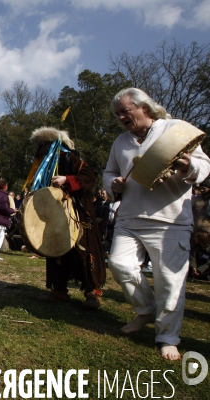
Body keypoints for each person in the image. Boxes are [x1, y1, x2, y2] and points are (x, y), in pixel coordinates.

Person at [103, 87, 210, 360]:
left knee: (170, 282)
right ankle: (146, 310)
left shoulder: (175, 129)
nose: (122, 118)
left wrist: (188, 166)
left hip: (170, 220)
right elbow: (109, 171)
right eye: (118, 115)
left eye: (125, 112)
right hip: (129, 217)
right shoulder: (120, 142)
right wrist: (112, 183)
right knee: (119, 264)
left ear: (144, 109)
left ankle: (168, 337)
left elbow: (204, 164)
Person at [30, 127, 106, 309]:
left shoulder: (69, 158)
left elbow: (90, 178)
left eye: (44, 146)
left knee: (83, 252)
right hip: (56, 218)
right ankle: (59, 291)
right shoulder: (46, 165)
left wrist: (67, 180)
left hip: (79, 216)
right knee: (56, 252)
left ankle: (92, 293)